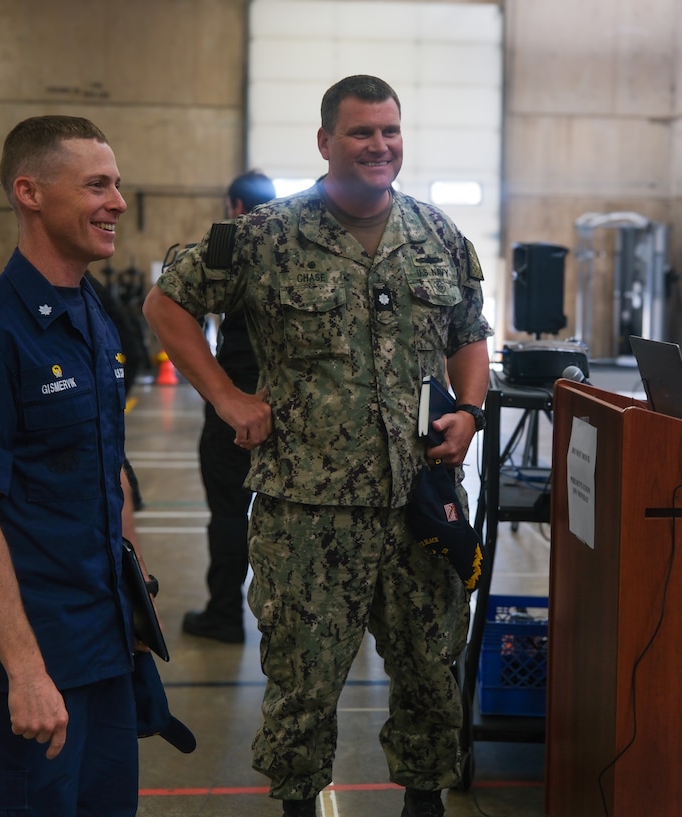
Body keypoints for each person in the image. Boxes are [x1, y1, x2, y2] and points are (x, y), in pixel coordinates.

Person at [142, 74, 492, 817]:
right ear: (326, 141)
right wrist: (228, 397)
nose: (379, 145)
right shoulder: (266, 235)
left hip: (419, 502)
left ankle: (423, 802)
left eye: (390, 130)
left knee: (431, 669)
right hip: (308, 511)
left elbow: (470, 335)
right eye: (362, 132)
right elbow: (166, 303)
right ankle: (298, 806)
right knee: (303, 681)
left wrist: (468, 410)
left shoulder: (437, 235)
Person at [0, 115, 148, 815]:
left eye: (116, 184)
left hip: (104, 649)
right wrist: (25, 671)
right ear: (29, 192)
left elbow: (109, 466)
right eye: (96, 185)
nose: (116, 201)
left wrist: (135, 594)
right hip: (32, 663)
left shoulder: (93, 316)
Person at [182, 170, 277, 644]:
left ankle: (223, 614)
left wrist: (222, 396)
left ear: (236, 206)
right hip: (292, 406)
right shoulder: (292, 242)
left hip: (235, 404)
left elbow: (178, 309)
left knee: (227, 513)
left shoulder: (227, 246)